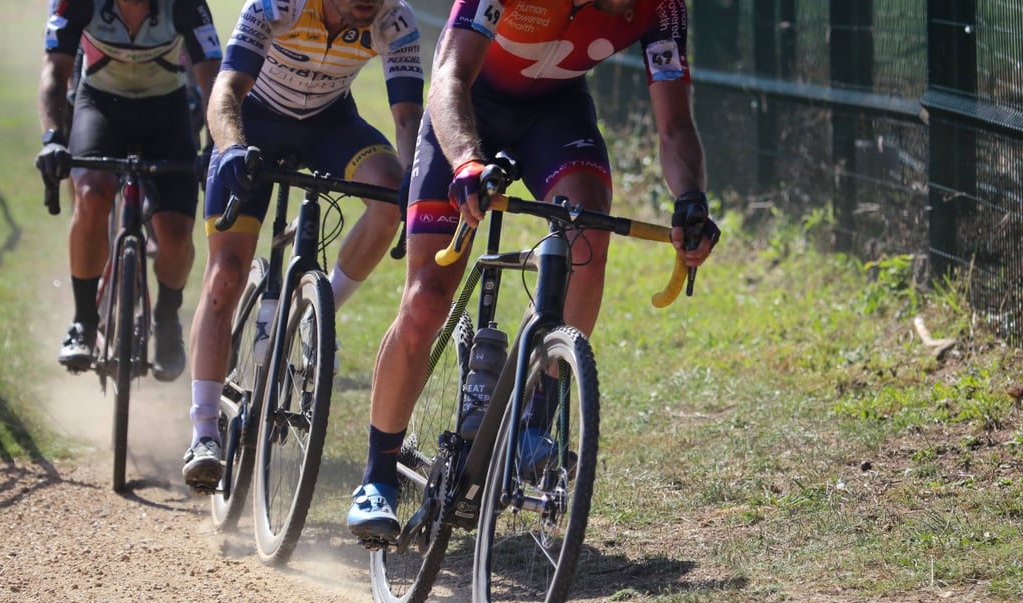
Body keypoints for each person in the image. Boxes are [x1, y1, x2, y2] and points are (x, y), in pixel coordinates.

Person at [346, 0, 722, 544]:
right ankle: (378, 477)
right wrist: (467, 162)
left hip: (556, 113)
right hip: (467, 104)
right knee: (427, 298)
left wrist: (690, 199)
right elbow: (450, 75)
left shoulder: (662, 10)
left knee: (587, 237)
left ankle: (529, 428)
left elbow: (675, 124)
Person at [179, 0, 423, 492]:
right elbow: (226, 89)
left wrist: (416, 190)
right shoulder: (278, 6)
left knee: (391, 194)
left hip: (331, 124)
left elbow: (407, 117)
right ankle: (204, 431)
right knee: (226, 273)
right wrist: (228, 148)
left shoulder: (394, 19)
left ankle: (320, 307)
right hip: (253, 124)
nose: (366, 4)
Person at [36, 0, 222, 381]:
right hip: (100, 107)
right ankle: (84, 321)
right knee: (91, 195)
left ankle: (167, 319)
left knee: (174, 231)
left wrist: (216, 144)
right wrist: (53, 137)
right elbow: (55, 73)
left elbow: (212, 77)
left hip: (167, 114)